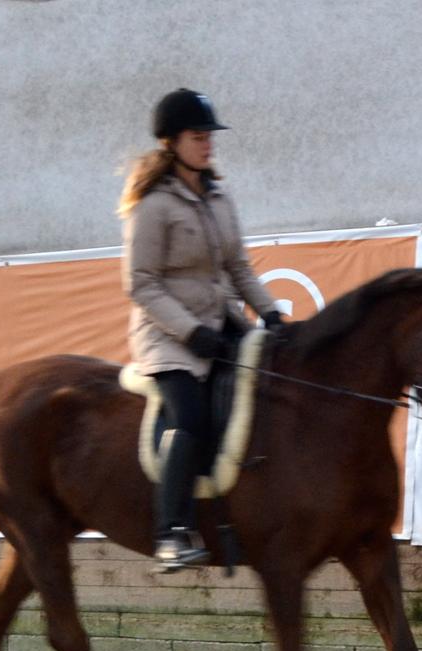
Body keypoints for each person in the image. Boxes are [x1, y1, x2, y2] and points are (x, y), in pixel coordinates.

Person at [119, 88, 284, 571]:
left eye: (210, 135)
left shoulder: (219, 196)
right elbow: (141, 284)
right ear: (171, 142)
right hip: (169, 340)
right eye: (198, 136)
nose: (208, 144)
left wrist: (271, 314)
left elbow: (239, 267)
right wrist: (190, 333)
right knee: (190, 416)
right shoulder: (152, 206)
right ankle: (171, 532)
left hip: (221, 327)